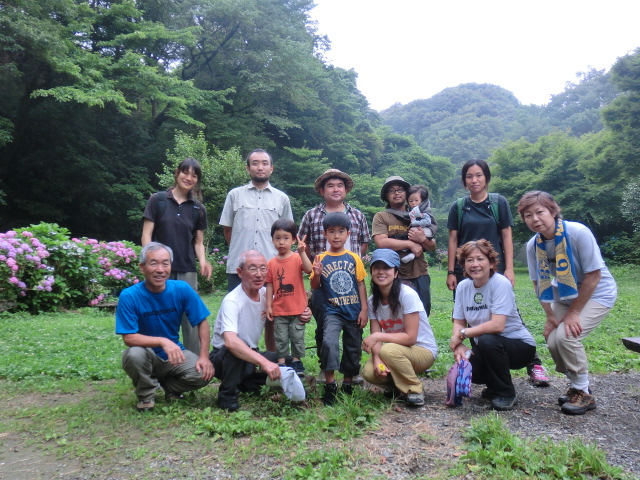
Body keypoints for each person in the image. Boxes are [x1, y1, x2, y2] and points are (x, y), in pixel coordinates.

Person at [446, 159, 550, 387]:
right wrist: (452, 270)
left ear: (486, 178)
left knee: (507, 314)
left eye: (479, 175)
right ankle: (483, 362)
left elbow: (506, 236)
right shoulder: (459, 207)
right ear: (464, 181)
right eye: (469, 176)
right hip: (467, 270)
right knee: (472, 312)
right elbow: (453, 240)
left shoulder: (497, 203)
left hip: (495, 269)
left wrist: (509, 268)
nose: (474, 180)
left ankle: (534, 363)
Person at [518, 191, 617, 415]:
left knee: (567, 336)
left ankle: (583, 393)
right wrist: (550, 316)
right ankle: (576, 385)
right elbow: (537, 283)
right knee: (553, 340)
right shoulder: (533, 245)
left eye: (540, 212)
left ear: (553, 211)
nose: (535, 219)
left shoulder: (577, 233)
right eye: (528, 215)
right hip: (564, 294)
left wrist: (573, 313)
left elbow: (594, 276)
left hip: (597, 293)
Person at [116, 242, 214, 412]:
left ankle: (168, 387)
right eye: (153, 263)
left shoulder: (181, 289)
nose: (160, 269)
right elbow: (129, 337)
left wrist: (204, 356)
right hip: (146, 354)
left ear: (170, 266)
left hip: (174, 355)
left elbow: (202, 322)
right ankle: (146, 395)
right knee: (133, 354)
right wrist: (162, 341)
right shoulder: (129, 295)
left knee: (202, 374)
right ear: (142, 267)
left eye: (165, 263)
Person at [210, 250, 311, 411]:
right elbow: (230, 341)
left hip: (251, 354)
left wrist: (305, 312)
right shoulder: (232, 301)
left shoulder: (266, 296)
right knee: (236, 349)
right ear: (240, 272)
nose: (259, 274)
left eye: (263, 268)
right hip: (224, 357)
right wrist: (264, 362)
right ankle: (227, 395)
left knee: (288, 361)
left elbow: (282, 315)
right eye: (252, 269)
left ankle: (247, 382)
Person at [299, 169, 370, 384]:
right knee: (324, 329)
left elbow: (364, 244)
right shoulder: (312, 215)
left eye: (340, 185)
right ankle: (326, 368)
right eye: (330, 185)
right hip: (322, 283)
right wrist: (315, 270)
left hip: (351, 283)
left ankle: (351, 371)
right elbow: (303, 244)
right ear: (322, 190)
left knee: (352, 332)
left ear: (346, 190)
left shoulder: (357, 215)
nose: (335, 189)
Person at [449, 239, 538, 411]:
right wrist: (459, 345)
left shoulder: (500, 283)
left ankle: (506, 393)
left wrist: (461, 334)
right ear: (463, 264)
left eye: (480, 259)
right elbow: (459, 320)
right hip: (487, 346)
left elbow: (497, 326)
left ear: (491, 263)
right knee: (468, 366)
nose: (475, 264)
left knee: (487, 340)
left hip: (519, 347)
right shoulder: (463, 287)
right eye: (469, 260)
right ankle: (494, 386)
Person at [141, 158, 213, 355]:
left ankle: (194, 362)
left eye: (194, 175)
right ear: (177, 172)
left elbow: (198, 242)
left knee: (191, 318)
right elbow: (146, 235)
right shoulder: (158, 200)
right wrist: (148, 263)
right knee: (157, 315)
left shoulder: (198, 209)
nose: (189, 178)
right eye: (185, 172)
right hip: (159, 269)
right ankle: (156, 359)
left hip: (187, 269)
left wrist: (203, 261)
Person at [362, 249, 438, 407]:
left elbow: (410, 338)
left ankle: (414, 389)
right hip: (396, 351)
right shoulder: (372, 301)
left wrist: (378, 337)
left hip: (422, 351)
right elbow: (376, 337)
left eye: (387, 268)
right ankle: (396, 386)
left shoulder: (407, 295)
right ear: (371, 271)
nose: (381, 272)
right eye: (377, 268)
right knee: (369, 372)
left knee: (388, 350)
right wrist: (377, 359)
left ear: (396, 273)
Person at [310, 212, 368, 406]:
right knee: (329, 342)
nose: (336, 236)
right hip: (332, 311)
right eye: (332, 231)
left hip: (353, 310)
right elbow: (315, 286)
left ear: (348, 234)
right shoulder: (320, 258)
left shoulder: (354, 258)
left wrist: (364, 310)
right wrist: (317, 273)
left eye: (341, 231)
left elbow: (360, 284)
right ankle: (330, 384)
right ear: (325, 234)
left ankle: (348, 383)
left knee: (353, 347)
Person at [220, 149, 293, 292]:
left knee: (270, 305)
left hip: (271, 267)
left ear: (271, 168)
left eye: (264, 163)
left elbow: (287, 234)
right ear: (248, 168)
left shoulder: (282, 199)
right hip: (239, 268)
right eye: (255, 163)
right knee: (236, 305)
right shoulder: (234, 195)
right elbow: (228, 230)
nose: (260, 167)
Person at [372, 176, 435, 316]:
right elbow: (381, 242)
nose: (396, 193)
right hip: (394, 276)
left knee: (422, 313)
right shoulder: (381, 216)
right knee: (395, 315)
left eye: (400, 189)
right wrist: (410, 244)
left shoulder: (418, 214)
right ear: (386, 196)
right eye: (391, 190)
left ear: (407, 193)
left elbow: (432, 246)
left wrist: (422, 239)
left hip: (419, 273)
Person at [265, 219, 313, 376]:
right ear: (272, 240)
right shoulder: (271, 263)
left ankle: (296, 361)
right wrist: (269, 306)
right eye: (277, 238)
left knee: (297, 337)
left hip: (298, 309)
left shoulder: (297, 258)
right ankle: (281, 362)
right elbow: (270, 285)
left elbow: (309, 269)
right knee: (280, 338)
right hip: (280, 310)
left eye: (286, 238)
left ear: (293, 240)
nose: (281, 242)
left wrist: (302, 252)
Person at [401, 185, 437, 263]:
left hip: (426, 230)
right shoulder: (412, 210)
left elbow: (427, 221)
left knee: (413, 232)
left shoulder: (424, 210)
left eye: (416, 200)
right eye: (411, 201)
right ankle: (412, 253)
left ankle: (410, 252)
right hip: (421, 231)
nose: (413, 203)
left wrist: (415, 223)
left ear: (422, 200)